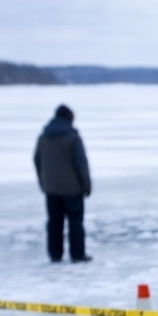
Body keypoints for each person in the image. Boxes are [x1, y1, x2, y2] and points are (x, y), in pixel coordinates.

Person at [33, 104, 92, 263]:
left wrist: (43, 182)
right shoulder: (72, 137)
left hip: (51, 188)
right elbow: (81, 163)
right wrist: (86, 185)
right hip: (72, 189)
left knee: (54, 223)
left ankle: (55, 254)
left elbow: (37, 160)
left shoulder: (43, 136)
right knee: (75, 222)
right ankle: (77, 254)